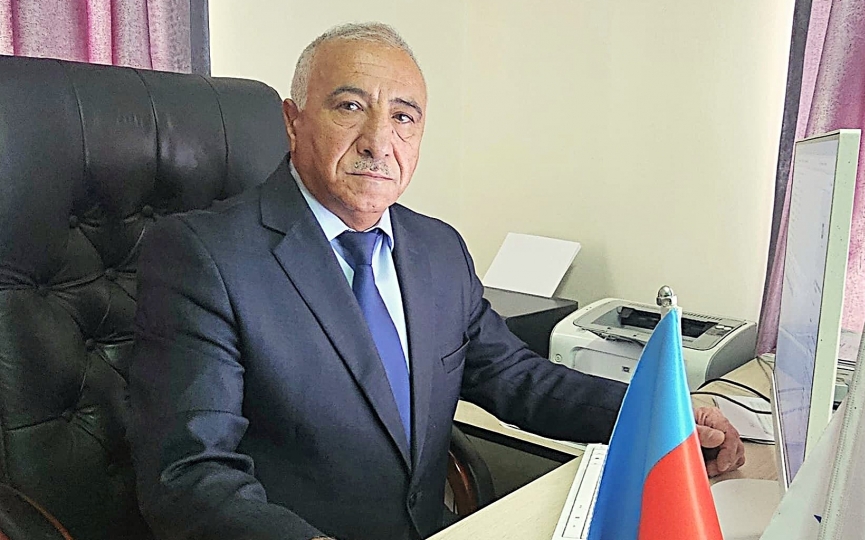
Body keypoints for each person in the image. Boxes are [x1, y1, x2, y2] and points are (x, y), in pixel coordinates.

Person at [127, 22, 745, 540]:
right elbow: (190, 475)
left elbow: (516, 377)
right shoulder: (204, 257)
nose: (379, 142)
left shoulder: (437, 249)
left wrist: (666, 417)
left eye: (404, 117)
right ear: (293, 122)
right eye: (350, 107)